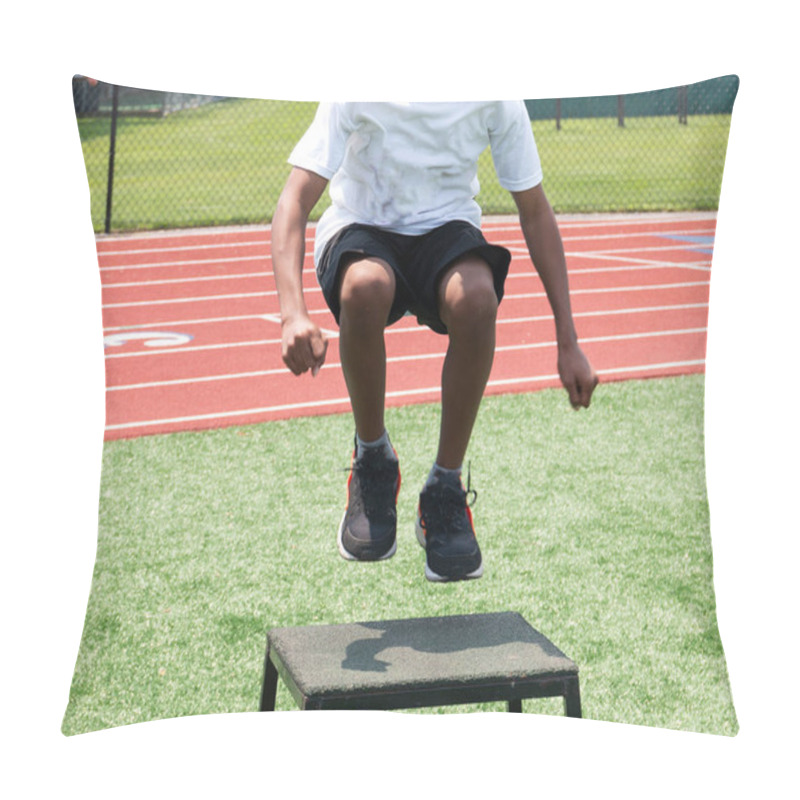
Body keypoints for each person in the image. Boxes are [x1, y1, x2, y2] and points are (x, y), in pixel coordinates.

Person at [270, 101, 597, 583]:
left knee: (477, 297)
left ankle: (444, 487)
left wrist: (568, 340)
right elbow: (294, 200)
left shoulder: (494, 88)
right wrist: (292, 314)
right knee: (365, 286)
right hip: (363, 226)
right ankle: (373, 460)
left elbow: (535, 210)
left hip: (445, 229)